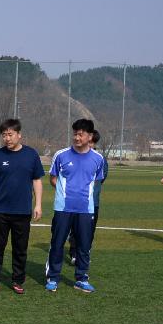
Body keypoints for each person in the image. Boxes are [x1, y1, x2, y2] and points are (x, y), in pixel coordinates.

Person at [0, 119, 43, 294]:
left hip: (22, 211)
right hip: (1, 210)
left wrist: (37, 204)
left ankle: (17, 280)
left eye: (10, 134)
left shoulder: (31, 155)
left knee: (20, 248)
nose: (7, 138)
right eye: (4, 135)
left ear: (19, 135)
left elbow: (37, 181)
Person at [45, 119, 106, 293]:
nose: (77, 137)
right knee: (57, 243)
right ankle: (53, 277)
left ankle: (82, 278)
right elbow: (53, 178)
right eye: (75, 134)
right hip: (63, 208)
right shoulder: (61, 155)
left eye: (81, 134)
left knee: (84, 245)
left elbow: (96, 180)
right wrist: (65, 193)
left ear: (90, 136)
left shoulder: (98, 159)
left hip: (86, 209)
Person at [68, 130, 107, 264]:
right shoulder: (75, 157)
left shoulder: (100, 159)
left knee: (89, 230)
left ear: (94, 143)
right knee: (74, 230)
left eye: (90, 142)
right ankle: (74, 253)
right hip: (74, 201)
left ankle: (85, 252)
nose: (87, 144)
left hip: (92, 203)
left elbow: (101, 179)